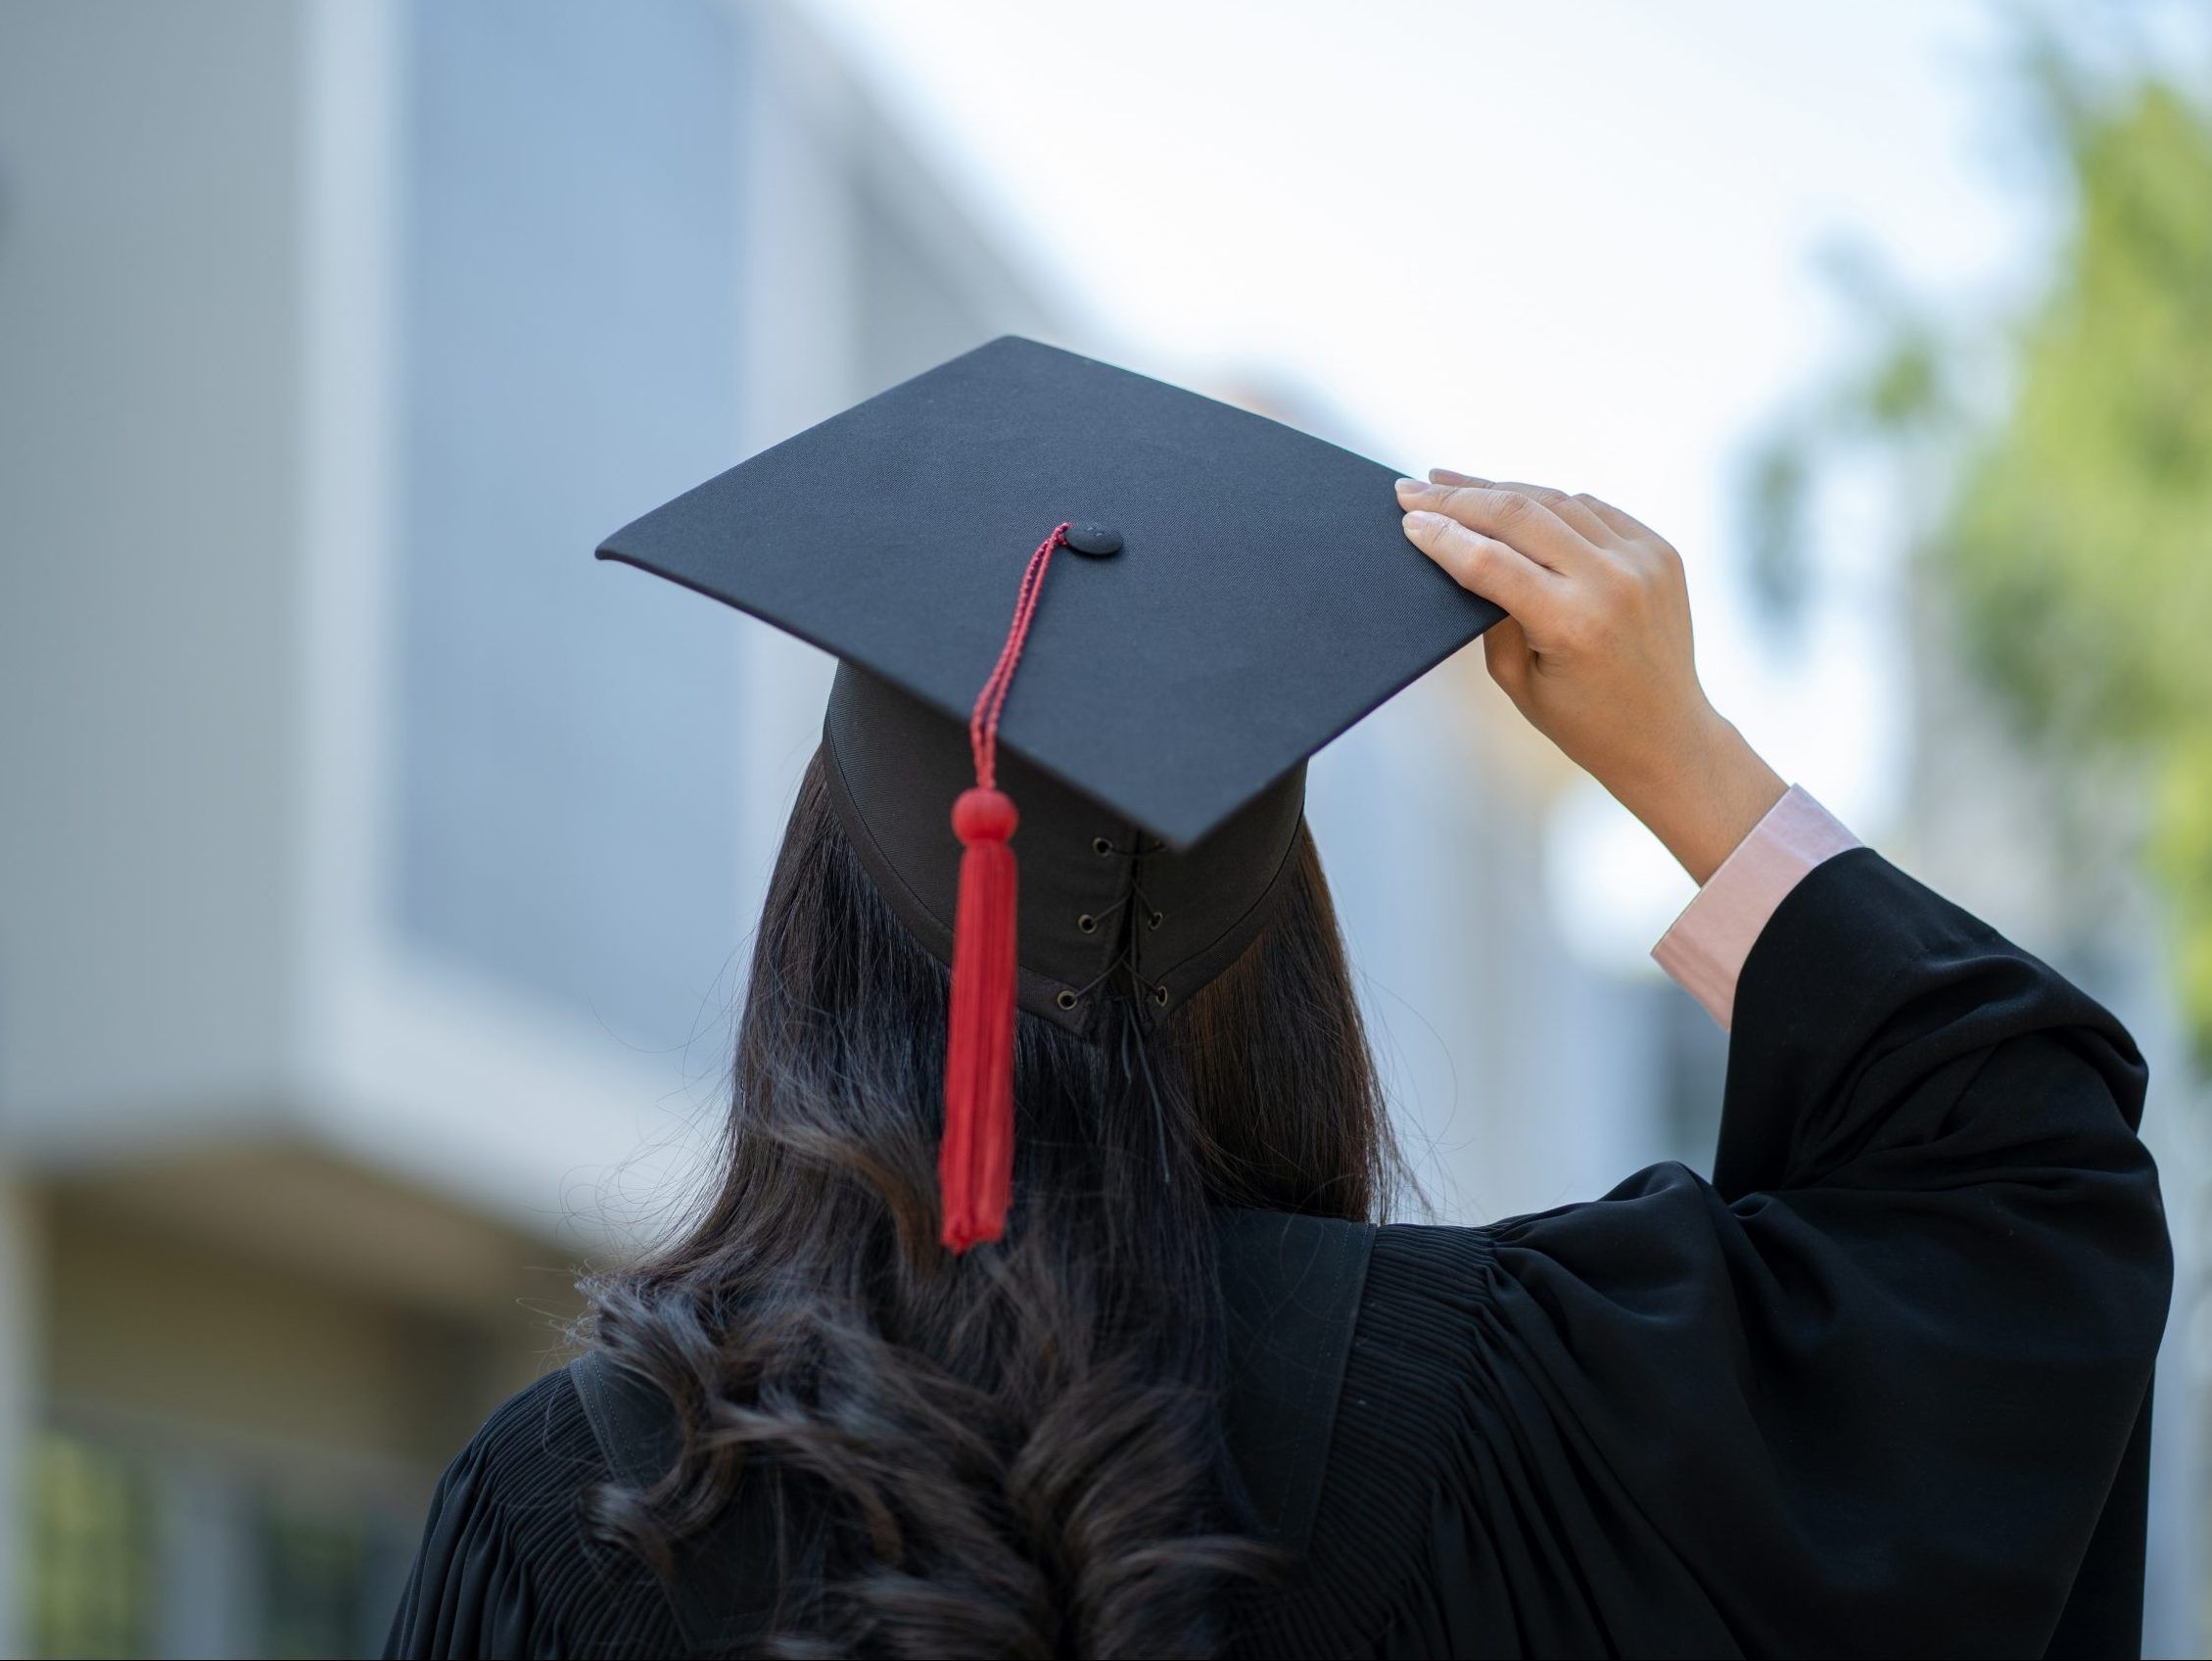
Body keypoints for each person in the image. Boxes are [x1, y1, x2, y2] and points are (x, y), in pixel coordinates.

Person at [385, 340, 2168, 1659]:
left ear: (825, 939)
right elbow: (2023, 1191)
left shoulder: (579, 1509)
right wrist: (1688, 764)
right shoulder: (1535, 1416)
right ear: (1286, 959)